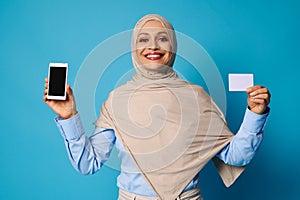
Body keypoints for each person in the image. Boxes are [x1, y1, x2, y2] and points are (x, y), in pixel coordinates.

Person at [43, 14, 270, 200]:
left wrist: (255, 114)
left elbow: (236, 156)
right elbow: (87, 163)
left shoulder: (197, 97)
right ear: (134, 48)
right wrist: (68, 116)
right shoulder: (117, 100)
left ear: (173, 46)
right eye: (143, 39)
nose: (153, 46)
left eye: (163, 38)